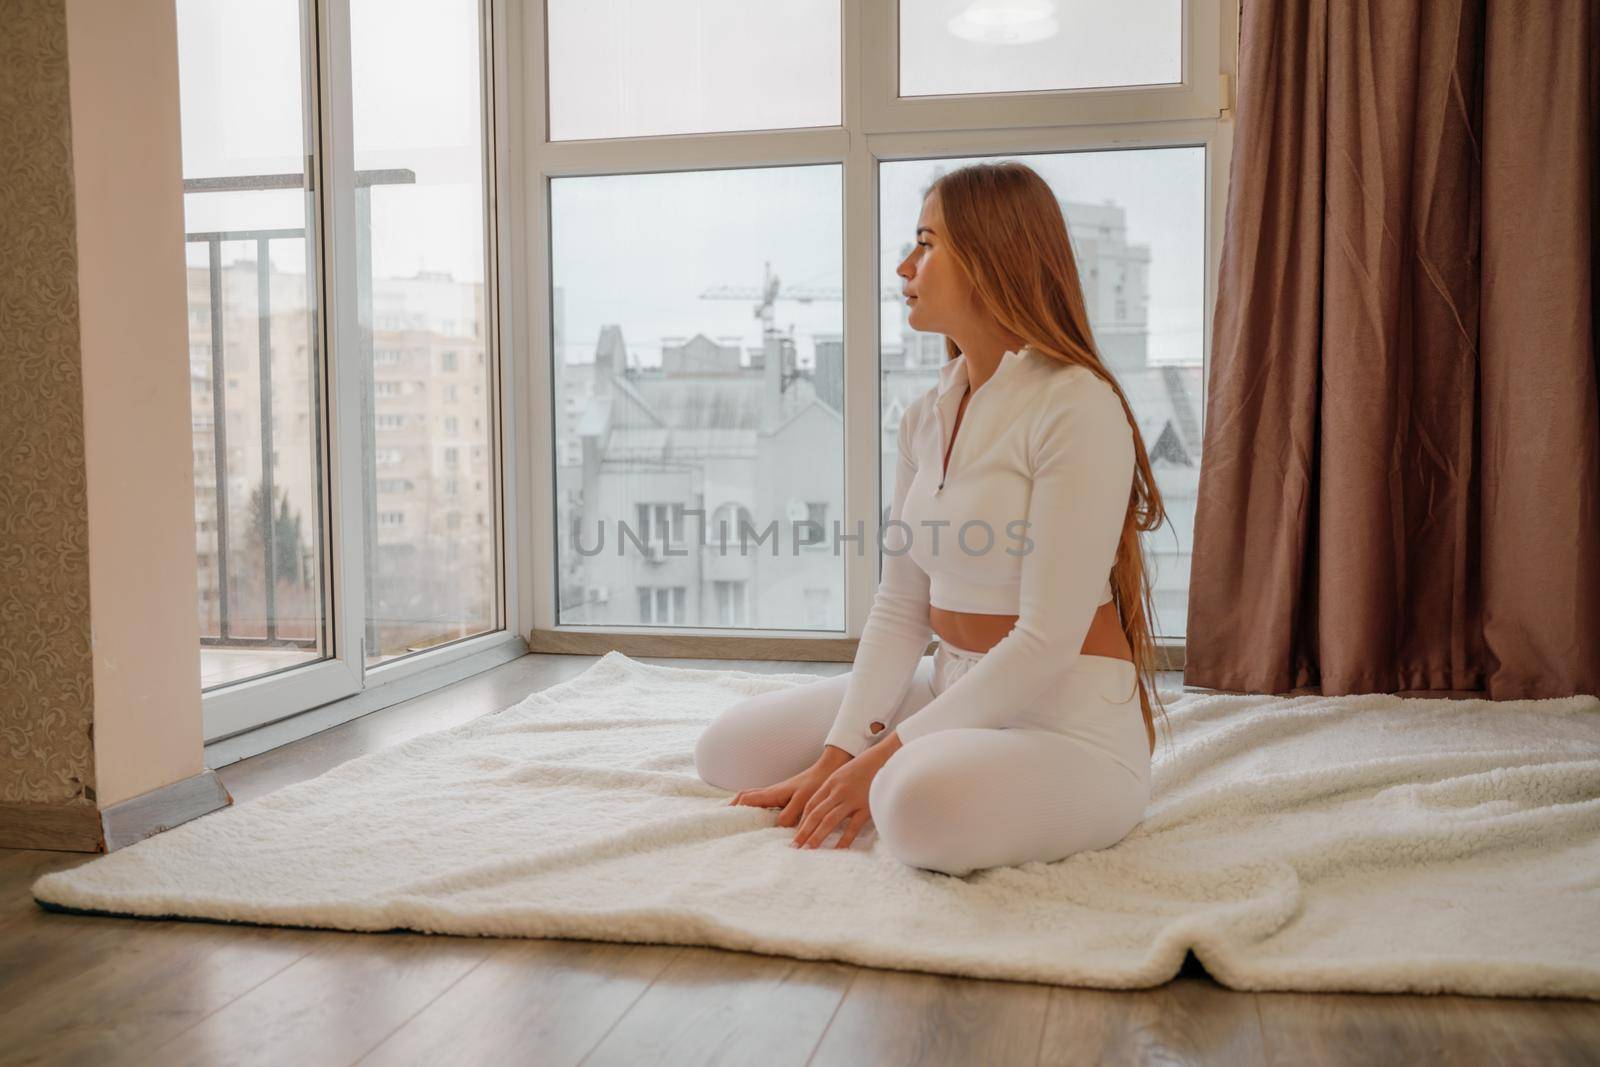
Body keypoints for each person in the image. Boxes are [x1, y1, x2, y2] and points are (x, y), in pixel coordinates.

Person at [694, 161, 1172, 876]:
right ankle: (912, 761)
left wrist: (884, 757)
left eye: (927, 242)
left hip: (1068, 725)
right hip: (953, 683)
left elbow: (1045, 640)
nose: (903, 265)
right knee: (726, 752)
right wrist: (840, 752)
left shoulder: (1076, 404)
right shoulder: (927, 414)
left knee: (913, 805)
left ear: (992, 257)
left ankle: (923, 772)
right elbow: (899, 606)